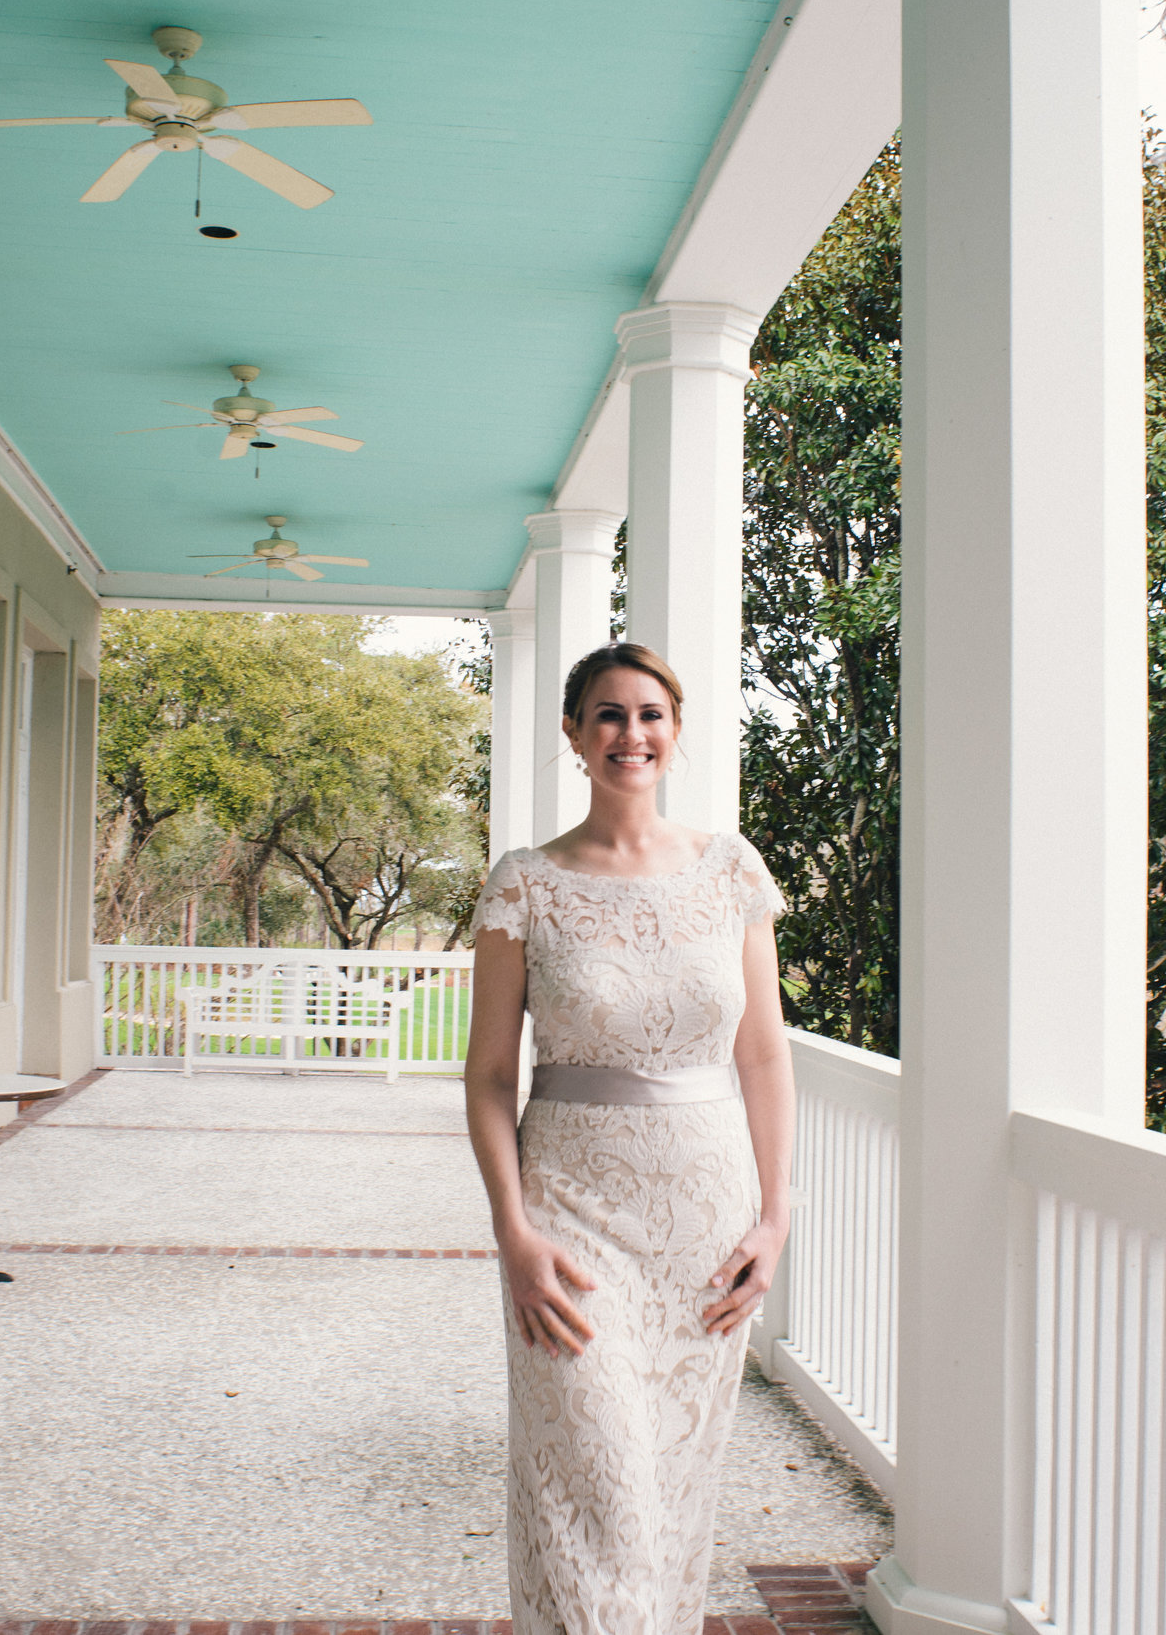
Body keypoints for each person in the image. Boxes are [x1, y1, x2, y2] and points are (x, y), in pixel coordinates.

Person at [464, 640, 796, 1635]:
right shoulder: (525, 884)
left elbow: (766, 1059)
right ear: (573, 733)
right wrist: (512, 1231)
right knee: (591, 1495)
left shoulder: (730, 871)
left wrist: (776, 1217)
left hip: (704, 1224)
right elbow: (487, 1076)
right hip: (569, 1218)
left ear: (676, 729)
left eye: (649, 714)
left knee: (671, 1502)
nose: (630, 734)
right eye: (607, 714)